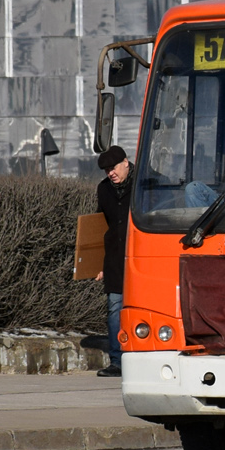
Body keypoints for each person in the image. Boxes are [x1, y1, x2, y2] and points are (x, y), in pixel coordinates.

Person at [94, 145, 132, 378]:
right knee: (115, 308)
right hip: (115, 260)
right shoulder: (104, 189)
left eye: (114, 167)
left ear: (126, 163)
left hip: (142, 258)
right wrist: (97, 262)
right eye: (107, 170)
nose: (111, 173)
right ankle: (117, 362)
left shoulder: (145, 185)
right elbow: (100, 226)